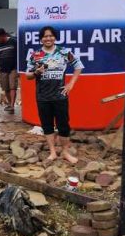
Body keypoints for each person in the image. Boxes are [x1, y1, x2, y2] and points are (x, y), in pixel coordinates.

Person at [26, 25, 83, 164]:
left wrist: (71, 84)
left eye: (51, 36)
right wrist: (36, 73)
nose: (48, 38)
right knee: (47, 125)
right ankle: (52, 152)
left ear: (55, 37)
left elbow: (78, 66)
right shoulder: (36, 55)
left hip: (60, 95)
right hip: (43, 96)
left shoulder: (64, 51)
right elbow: (28, 75)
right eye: (45, 36)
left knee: (63, 125)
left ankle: (65, 152)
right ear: (41, 39)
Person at [0, 27, 18, 113]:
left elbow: (20, 53)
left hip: (13, 68)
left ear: (3, 35)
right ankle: (9, 104)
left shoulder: (13, 41)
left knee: (13, 87)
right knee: (6, 88)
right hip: (3, 69)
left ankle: (12, 106)